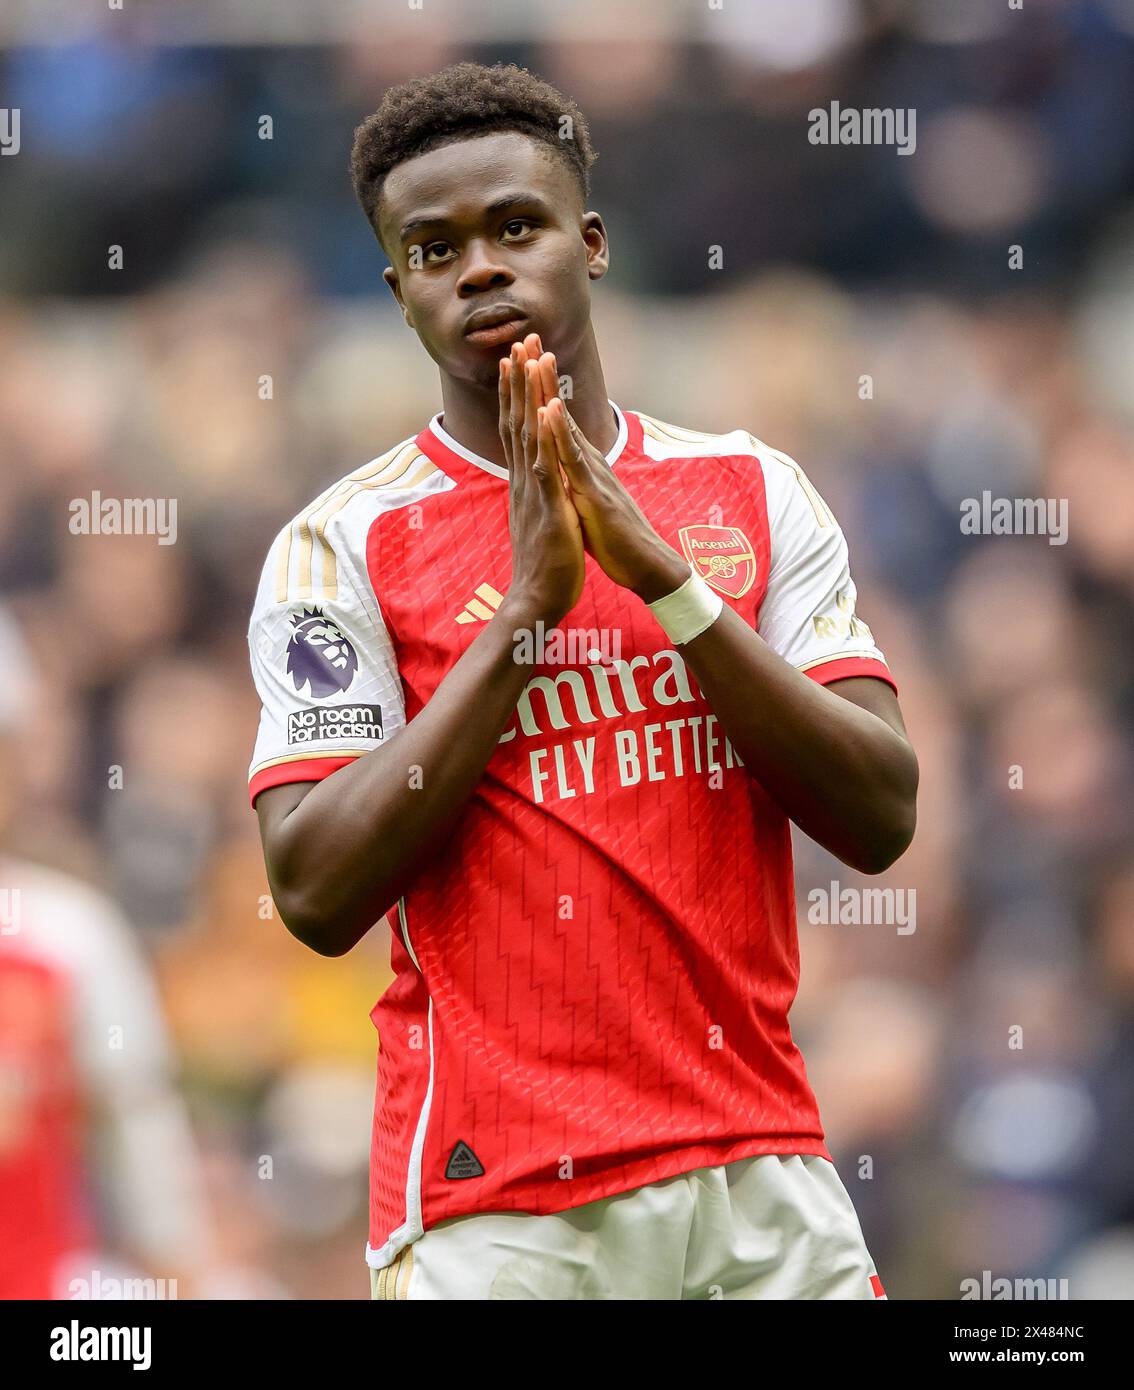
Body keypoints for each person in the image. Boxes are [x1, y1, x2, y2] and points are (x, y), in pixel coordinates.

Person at [247, 61, 918, 1300]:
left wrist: (670, 586)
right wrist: (525, 617)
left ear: (591, 242)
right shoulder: (342, 544)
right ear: (398, 293)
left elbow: (880, 811)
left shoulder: (750, 493)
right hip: (498, 1209)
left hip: (762, 1176)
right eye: (433, 249)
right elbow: (314, 888)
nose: (482, 269)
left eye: (516, 227)